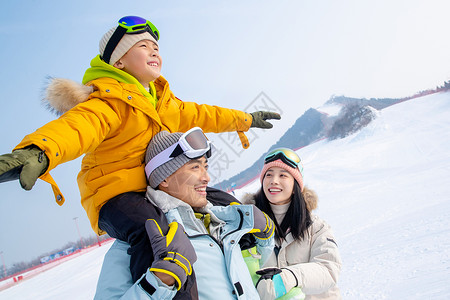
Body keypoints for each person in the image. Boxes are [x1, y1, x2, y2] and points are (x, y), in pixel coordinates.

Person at [0, 16, 280, 238]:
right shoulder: (108, 102)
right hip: (115, 196)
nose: (154, 51)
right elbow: (77, 127)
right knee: (159, 236)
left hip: (156, 188)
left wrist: (246, 120)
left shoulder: (165, 102)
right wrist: (39, 151)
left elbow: (206, 115)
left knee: (228, 206)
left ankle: (247, 262)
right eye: (143, 47)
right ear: (119, 61)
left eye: (156, 47)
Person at [94, 128, 275, 299]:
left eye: (205, 166)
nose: (207, 177)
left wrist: (265, 238)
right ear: (164, 177)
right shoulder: (140, 241)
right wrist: (159, 281)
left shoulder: (220, 220)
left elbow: (253, 266)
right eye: (195, 168)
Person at [243, 148, 342, 300]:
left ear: (296, 186)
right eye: (268, 175)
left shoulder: (316, 227)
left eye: (283, 175)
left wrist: (291, 277)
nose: (274, 180)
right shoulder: (248, 227)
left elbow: (329, 269)